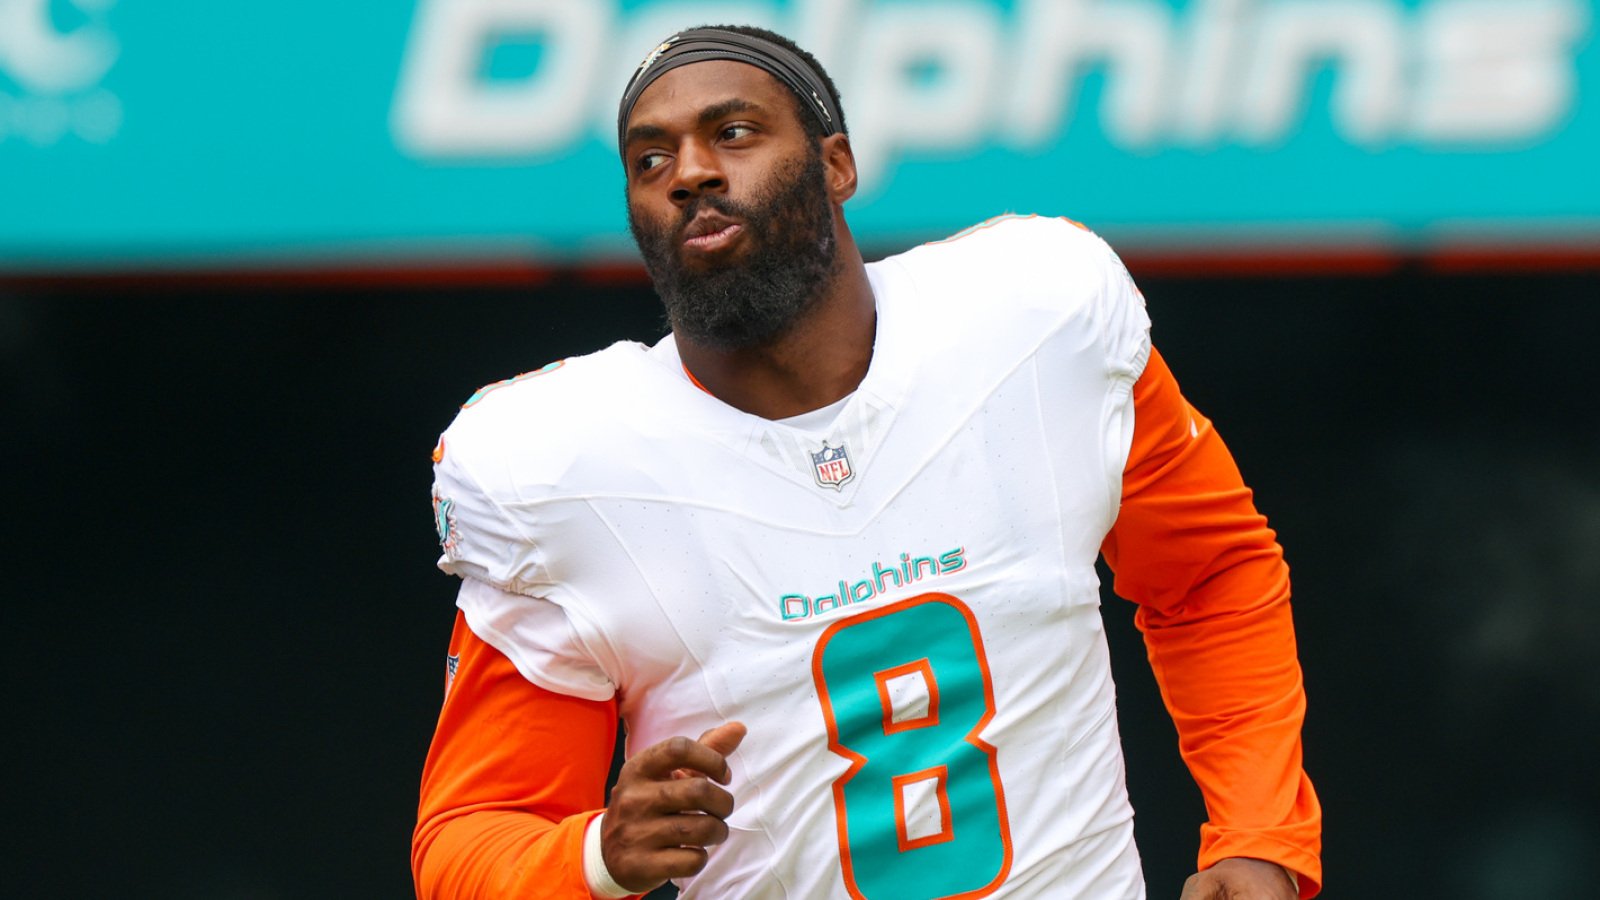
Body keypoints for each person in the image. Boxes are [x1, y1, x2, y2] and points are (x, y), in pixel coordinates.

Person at [412, 24, 1321, 900]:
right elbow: (472, 833)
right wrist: (596, 857)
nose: (690, 172)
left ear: (837, 164)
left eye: (733, 132)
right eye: (651, 160)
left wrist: (1260, 834)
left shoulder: (1038, 316)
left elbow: (1208, 576)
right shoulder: (557, 468)